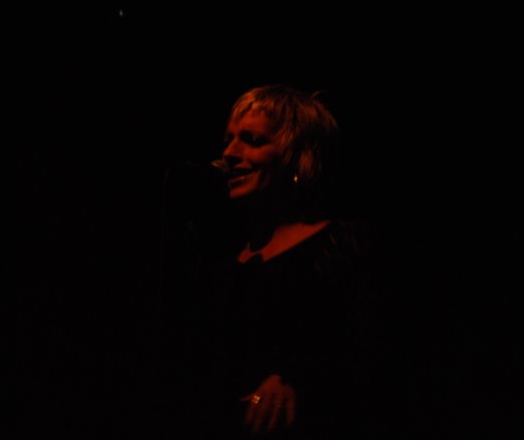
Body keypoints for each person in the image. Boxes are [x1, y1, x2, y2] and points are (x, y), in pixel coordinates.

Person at [156, 84, 373, 440]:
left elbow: (361, 351)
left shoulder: (339, 246)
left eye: (252, 141)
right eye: (228, 140)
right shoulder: (222, 254)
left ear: (296, 156)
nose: (229, 153)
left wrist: (294, 378)